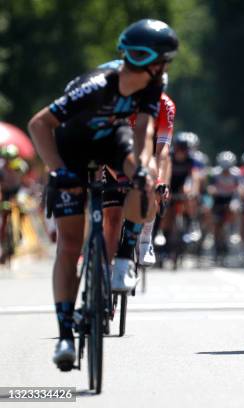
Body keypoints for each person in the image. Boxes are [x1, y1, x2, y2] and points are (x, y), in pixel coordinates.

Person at [27, 18, 178, 371]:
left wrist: (141, 167)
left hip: (113, 144)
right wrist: (58, 170)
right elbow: (39, 124)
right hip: (71, 148)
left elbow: (144, 130)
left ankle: (124, 260)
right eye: (163, 61)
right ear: (147, 61)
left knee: (146, 178)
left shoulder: (153, 88)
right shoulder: (95, 86)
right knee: (69, 243)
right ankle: (66, 334)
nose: (165, 68)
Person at [97, 59, 176, 271]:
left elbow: (162, 152)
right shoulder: (119, 101)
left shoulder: (165, 106)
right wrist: (120, 177)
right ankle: (105, 271)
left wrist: (161, 182)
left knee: (153, 183)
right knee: (112, 218)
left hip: (143, 156)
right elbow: (105, 146)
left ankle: (145, 237)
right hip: (113, 156)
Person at [207, 151, 244, 260]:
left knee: (234, 208)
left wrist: (241, 193)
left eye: (227, 169)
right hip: (218, 199)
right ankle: (214, 240)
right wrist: (213, 190)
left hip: (231, 198)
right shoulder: (215, 173)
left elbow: (241, 188)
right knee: (215, 220)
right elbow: (210, 187)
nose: (225, 171)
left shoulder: (237, 173)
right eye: (223, 169)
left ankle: (233, 231)